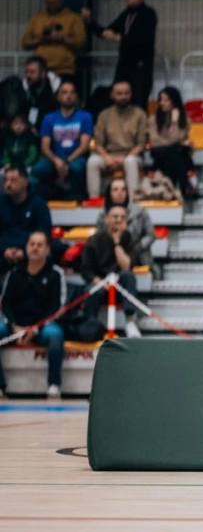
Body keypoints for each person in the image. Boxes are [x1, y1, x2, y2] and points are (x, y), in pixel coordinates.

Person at [0, 231, 67, 400]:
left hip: (43, 326)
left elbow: (57, 306)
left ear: (47, 250)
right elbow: (5, 304)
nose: (35, 248)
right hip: (15, 326)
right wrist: (14, 326)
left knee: (55, 335)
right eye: (32, 244)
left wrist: (36, 329)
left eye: (39, 245)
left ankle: (54, 384)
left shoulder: (55, 273)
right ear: (26, 247)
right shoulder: (14, 273)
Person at [83, 0, 158, 110]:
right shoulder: (126, 14)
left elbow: (142, 40)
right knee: (113, 100)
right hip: (123, 66)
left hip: (140, 69)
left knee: (138, 105)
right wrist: (89, 22)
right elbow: (107, 31)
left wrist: (119, 38)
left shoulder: (148, 14)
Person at [78, 204, 143, 337]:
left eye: (122, 217)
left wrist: (117, 242)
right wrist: (100, 282)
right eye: (115, 217)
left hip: (120, 287)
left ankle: (129, 321)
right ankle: (90, 325)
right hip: (100, 285)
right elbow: (85, 269)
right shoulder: (94, 240)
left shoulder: (132, 239)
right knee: (91, 290)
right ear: (106, 219)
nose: (118, 220)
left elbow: (126, 266)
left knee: (128, 276)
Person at [31, 81, 93, 200]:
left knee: (76, 168)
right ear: (58, 97)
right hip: (54, 158)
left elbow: (84, 146)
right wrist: (56, 161)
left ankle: (77, 199)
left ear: (76, 96)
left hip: (76, 158)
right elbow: (44, 147)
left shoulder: (85, 116)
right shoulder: (49, 118)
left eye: (72, 92)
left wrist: (67, 161)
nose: (68, 96)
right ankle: (41, 201)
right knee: (36, 170)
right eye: (64, 92)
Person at [86, 80, 148, 198]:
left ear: (131, 94)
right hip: (109, 155)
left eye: (126, 93)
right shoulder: (104, 115)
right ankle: (94, 199)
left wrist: (124, 158)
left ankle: (133, 200)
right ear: (112, 95)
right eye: (119, 94)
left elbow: (141, 144)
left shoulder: (140, 114)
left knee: (130, 161)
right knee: (92, 162)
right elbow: (98, 144)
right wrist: (106, 157)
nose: (123, 97)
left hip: (132, 155)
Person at [22, 0, 88, 82]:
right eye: (49, 2)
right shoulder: (36, 19)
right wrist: (40, 40)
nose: (52, 5)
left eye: (55, 1)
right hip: (40, 71)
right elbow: (25, 43)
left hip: (64, 70)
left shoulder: (74, 18)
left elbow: (81, 43)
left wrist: (62, 39)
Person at [0, 166, 51, 271]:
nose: (8, 184)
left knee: (48, 250)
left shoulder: (38, 204)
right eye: (6, 180)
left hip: (30, 252)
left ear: (25, 182)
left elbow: (44, 234)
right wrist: (4, 250)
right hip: (3, 252)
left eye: (13, 180)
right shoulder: (1, 203)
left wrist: (24, 251)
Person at [94, 177, 154, 262]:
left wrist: (138, 246)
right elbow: (100, 237)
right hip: (110, 258)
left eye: (123, 189)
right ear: (109, 193)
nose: (120, 193)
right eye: (115, 190)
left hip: (139, 258)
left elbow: (150, 235)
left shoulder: (140, 211)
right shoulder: (103, 215)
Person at [148, 86, 192, 195]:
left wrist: (174, 121)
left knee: (172, 160)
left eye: (166, 100)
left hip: (173, 158)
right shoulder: (153, 119)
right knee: (175, 151)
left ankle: (171, 192)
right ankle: (185, 184)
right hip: (159, 155)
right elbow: (155, 142)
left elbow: (174, 139)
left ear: (174, 101)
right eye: (160, 100)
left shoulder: (184, 120)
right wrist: (174, 142)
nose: (162, 103)